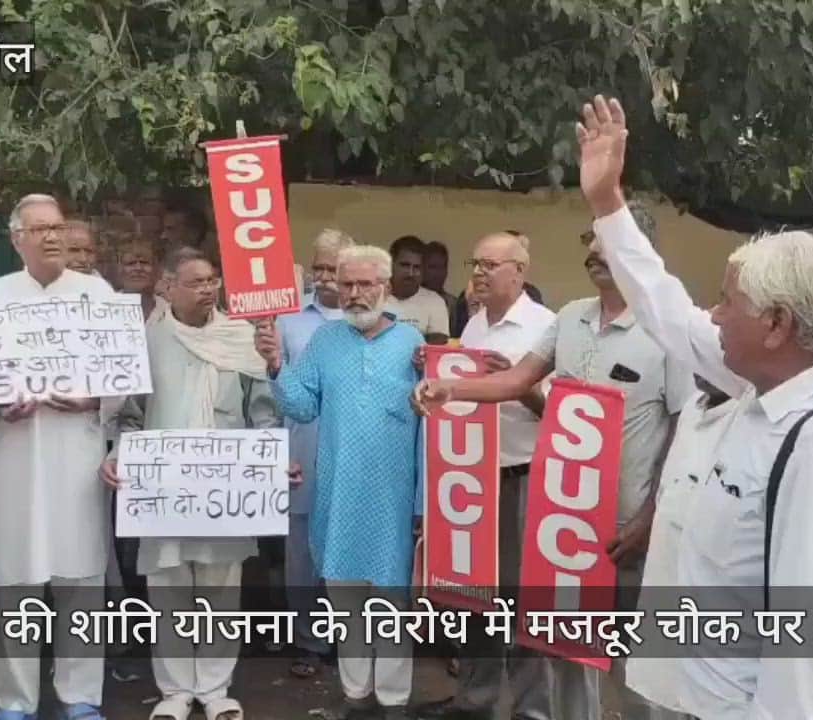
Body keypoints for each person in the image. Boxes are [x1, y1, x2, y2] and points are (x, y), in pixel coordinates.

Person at [573, 95, 813, 719]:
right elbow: (664, 308)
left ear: (777, 324)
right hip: (682, 686)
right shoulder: (763, 377)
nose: (711, 316)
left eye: (726, 302)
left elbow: (808, 647)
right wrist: (608, 204)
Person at [413, 201, 693, 720]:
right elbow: (518, 380)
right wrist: (452, 385)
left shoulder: (668, 333)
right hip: (564, 520)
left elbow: (683, 438)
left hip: (628, 526)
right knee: (566, 651)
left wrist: (648, 521)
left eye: (605, 243)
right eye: (589, 241)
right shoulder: (570, 319)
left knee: (636, 664)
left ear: (638, 251)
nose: (592, 252)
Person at [0, 194, 118, 720]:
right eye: (40, 229)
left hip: (77, 447)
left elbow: (121, 376)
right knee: (15, 580)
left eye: (58, 227)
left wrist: (94, 399)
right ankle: (16, 700)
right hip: (13, 454)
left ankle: (80, 696)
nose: (52, 236)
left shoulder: (97, 294)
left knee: (81, 577)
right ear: (16, 239)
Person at [101, 247, 276, 720]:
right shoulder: (148, 339)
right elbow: (130, 416)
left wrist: (271, 458)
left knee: (222, 589)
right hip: (164, 488)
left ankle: (217, 690)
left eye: (213, 280)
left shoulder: (241, 338)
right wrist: (120, 456)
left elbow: (261, 408)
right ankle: (175, 691)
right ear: (168, 287)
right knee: (169, 589)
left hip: (227, 486)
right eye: (196, 281)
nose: (208, 289)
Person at [255, 245, 422, 720]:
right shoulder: (326, 341)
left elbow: (433, 426)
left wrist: (424, 503)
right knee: (346, 600)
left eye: (365, 284)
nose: (354, 294)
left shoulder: (414, 345)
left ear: (384, 287)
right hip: (339, 494)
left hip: (394, 499)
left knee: (390, 604)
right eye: (347, 284)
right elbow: (301, 405)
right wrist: (274, 366)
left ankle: (393, 701)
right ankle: (356, 696)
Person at [412, 231, 556, 720]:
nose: (478, 272)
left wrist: (517, 385)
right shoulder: (471, 328)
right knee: (471, 595)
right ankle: (476, 701)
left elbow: (562, 418)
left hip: (524, 477)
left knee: (523, 599)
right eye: (476, 262)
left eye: (492, 264)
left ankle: (532, 709)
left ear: (520, 271)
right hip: (471, 479)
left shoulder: (546, 328)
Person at [625, 376, 736, 717]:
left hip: (718, 601)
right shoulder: (693, 407)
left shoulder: (751, 417)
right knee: (655, 690)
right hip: (665, 576)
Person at [274, 229, 354, 680]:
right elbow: (271, 389)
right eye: (318, 267)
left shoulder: (375, 320)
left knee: (348, 550)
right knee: (302, 554)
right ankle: (308, 641)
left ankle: (351, 640)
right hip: (301, 449)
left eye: (334, 269)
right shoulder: (288, 320)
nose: (325, 277)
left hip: (356, 456)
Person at [386, 236, 450, 344]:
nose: (410, 273)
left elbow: (435, 348)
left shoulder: (435, 302)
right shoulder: (375, 296)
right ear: (391, 264)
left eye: (416, 267)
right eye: (405, 265)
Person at [114, 238, 165, 321]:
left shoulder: (170, 310)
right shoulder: (106, 307)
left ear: (156, 269)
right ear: (120, 269)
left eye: (144, 262)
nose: (138, 268)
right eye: (131, 263)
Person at [422, 241, 456, 310]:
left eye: (442, 267)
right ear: (422, 268)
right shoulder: (409, 300)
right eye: (433, 267)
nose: (438, 273)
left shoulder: (454, 305)